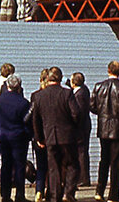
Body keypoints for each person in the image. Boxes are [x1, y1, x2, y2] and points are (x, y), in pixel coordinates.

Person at [31, 66, 80, 202]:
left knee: (53, 168)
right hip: (67, 136)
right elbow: (76, 114)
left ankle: (55, 196)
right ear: (60, 78)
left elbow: (36, 120)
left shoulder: (39, 96)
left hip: (49, 137)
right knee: (72, 165)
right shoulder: (67, 93)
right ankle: (68, 194)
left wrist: (39, 138)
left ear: (48, 79)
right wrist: (73, 127)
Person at [90, 61, 119, 202]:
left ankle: (99, 190)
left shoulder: (99, 86)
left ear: (108, 70)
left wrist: (103, 114)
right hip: (118, 128)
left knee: (104, 159)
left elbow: (92, 106)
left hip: (103, 126)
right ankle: (113, 196)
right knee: (116, 162)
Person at [0, 74, 31, 202]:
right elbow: (27, 123)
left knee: (6, 165)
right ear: (19, 86)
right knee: (19, 166)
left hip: (4, 137)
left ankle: (5, 195)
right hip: (19, 137)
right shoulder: (24, 102)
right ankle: (20, 195)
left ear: (7, 85)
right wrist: (28, 136)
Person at [29, 69, 49, 202]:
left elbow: (33, 118)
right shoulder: (55, 94)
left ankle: (39, 191)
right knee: (52, 166)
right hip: (52, 136)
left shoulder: (35, 96)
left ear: (40, 80)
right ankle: (50, 190)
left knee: (41, 165)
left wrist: (36, 137)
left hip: (38, 136)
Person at [69, 72, 92, 188]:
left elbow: (79, 113)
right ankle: (83, 177)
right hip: (84, 126)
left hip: (80, 127)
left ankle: (83, 178)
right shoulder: (84, 91)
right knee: (82, 151)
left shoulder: (79, 95)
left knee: (81, 151)